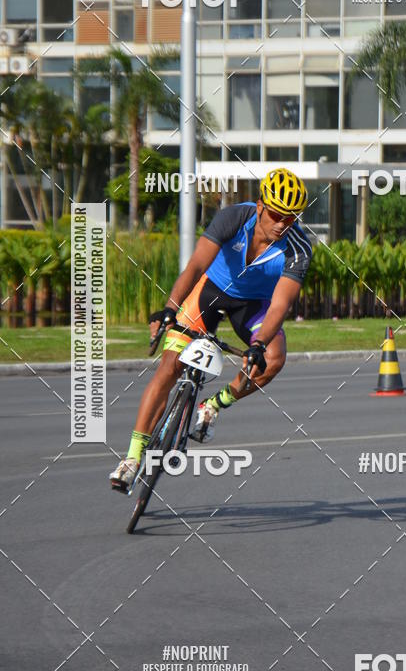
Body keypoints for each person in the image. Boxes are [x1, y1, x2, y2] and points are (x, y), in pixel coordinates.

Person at [109, 167, 312, 492]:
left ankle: (212, 406)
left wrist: (259, 344)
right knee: (170, 366)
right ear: (260, 205)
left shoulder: (298, 248)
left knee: (273, 358)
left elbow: (279, 306)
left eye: (290, 218)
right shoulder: (234, 217)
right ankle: (132, 458)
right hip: (209, 290)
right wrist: (169, 310)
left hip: (254, 305)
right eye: (275, 213)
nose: (281, 224)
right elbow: (196, 266)